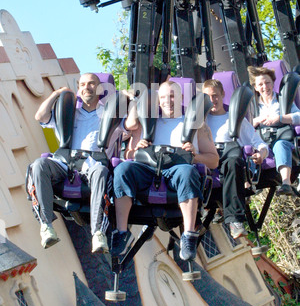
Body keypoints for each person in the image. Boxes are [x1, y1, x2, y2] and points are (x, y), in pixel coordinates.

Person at [111, 80, 219, 262]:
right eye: (163, 97)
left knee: (187, 171)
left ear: (181, 98)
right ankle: (122, 231)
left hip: (177, 175)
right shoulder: (147, 124)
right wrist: (138, 150)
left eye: (172, 96)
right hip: (149, 174)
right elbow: (128, 154)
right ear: (158, 101)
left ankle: (189, 234)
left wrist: (196, 156)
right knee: (123, 168)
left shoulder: (196, 125)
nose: (168, 101)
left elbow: (214, 160)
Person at [31, 72, 134, 252]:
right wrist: (58, 94)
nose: (87, 87)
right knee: (38, 165)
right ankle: (46, 225)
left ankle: (98, 233)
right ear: (78, 89)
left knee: (101, 171)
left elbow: (132, 125)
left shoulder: (109, 114)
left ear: (100, 88)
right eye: (83, 84)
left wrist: (128, 100)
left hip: (92, 164)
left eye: (92, 84)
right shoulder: (68, 114)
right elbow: (40, 116)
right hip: (65, 163)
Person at [202, 79, 269, 239]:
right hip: (208, 157)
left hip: (229, 156)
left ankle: (235, 220)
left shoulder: (234, 118)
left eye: (216, 96)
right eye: (208, 97)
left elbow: (259, 143)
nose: (213, 100)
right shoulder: (201, 121)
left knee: (234, 158)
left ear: (223, 94)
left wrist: (261, 155)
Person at [248, 65, 300, 195]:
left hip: (282, 138)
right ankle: (249, 185)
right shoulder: (253, 105)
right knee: (259, 150)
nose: (265, 87)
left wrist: (280, 118)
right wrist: (258, 120)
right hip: (263, 140)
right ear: (255, 87)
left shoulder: (282, 100)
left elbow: (298, 116)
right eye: (260, 84)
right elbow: (244, 126)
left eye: (267, 83)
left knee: (279, 145)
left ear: (273, 83)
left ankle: (286, 183)